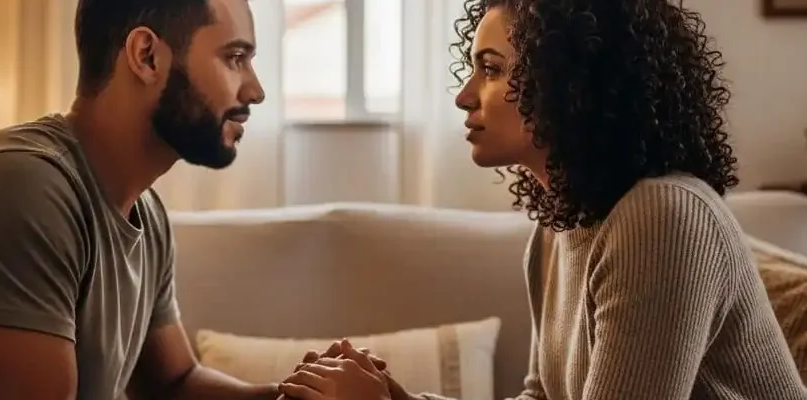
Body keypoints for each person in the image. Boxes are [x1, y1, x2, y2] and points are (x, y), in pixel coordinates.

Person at [278, 1, 807, 400]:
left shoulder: (663, 217)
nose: (464, 96)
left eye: (491, 69)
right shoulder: (558, 228)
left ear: (572, 83)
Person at [0, 0, 284, 399]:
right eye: (234, 58)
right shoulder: (20, 192)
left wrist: (300, 395)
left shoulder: (146, 213)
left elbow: (174, 385)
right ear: (147, 56)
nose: (255, 91)